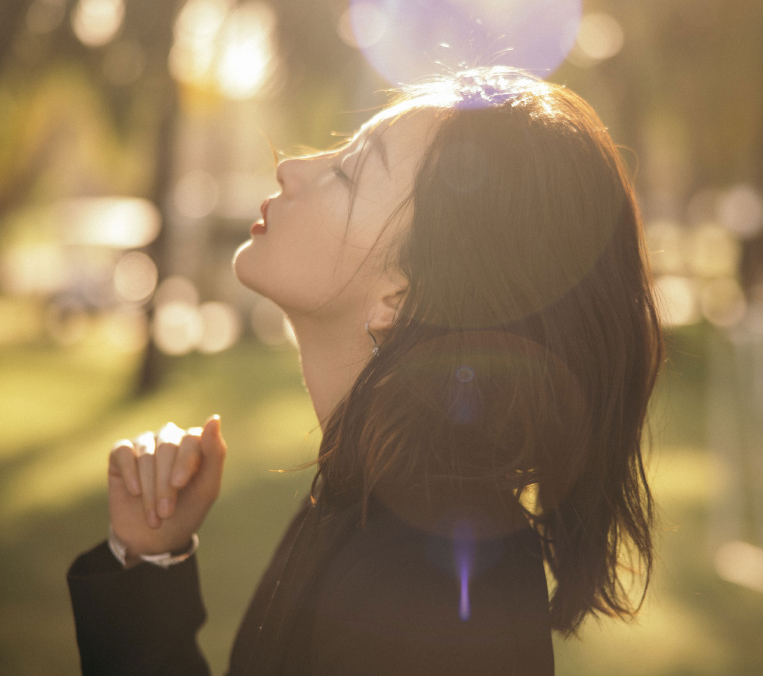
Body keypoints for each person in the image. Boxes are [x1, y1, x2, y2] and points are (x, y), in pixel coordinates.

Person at [67, 67, 663, 675]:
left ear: (402, 297)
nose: (291, 167)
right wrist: (148, 557)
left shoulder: (433, 596)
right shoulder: (367, 495)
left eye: (349, 171)